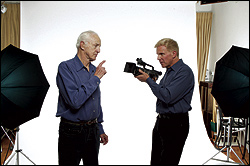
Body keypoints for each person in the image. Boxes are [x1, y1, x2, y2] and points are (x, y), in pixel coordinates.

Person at [135, 38, 194, 165]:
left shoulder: (184, 72)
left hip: (176, 124)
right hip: (161, 122)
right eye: (157, 54)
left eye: (161, 54)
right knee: (155, 161)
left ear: (174, 53)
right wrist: (152, 81)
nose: (158, 58)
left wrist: (149, 81)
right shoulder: (168, 72)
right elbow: (163, 94)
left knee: (168, 161)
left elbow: (168, 96)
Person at [56, 30, 108, 165]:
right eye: (96, 45)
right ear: (83, 45)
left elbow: (95, 100)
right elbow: (75, 101)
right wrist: (96, 78)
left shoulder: (94, 69)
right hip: (71, 131)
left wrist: (100, 128)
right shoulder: (65, 67)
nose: (99, 50)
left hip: (93, 131)